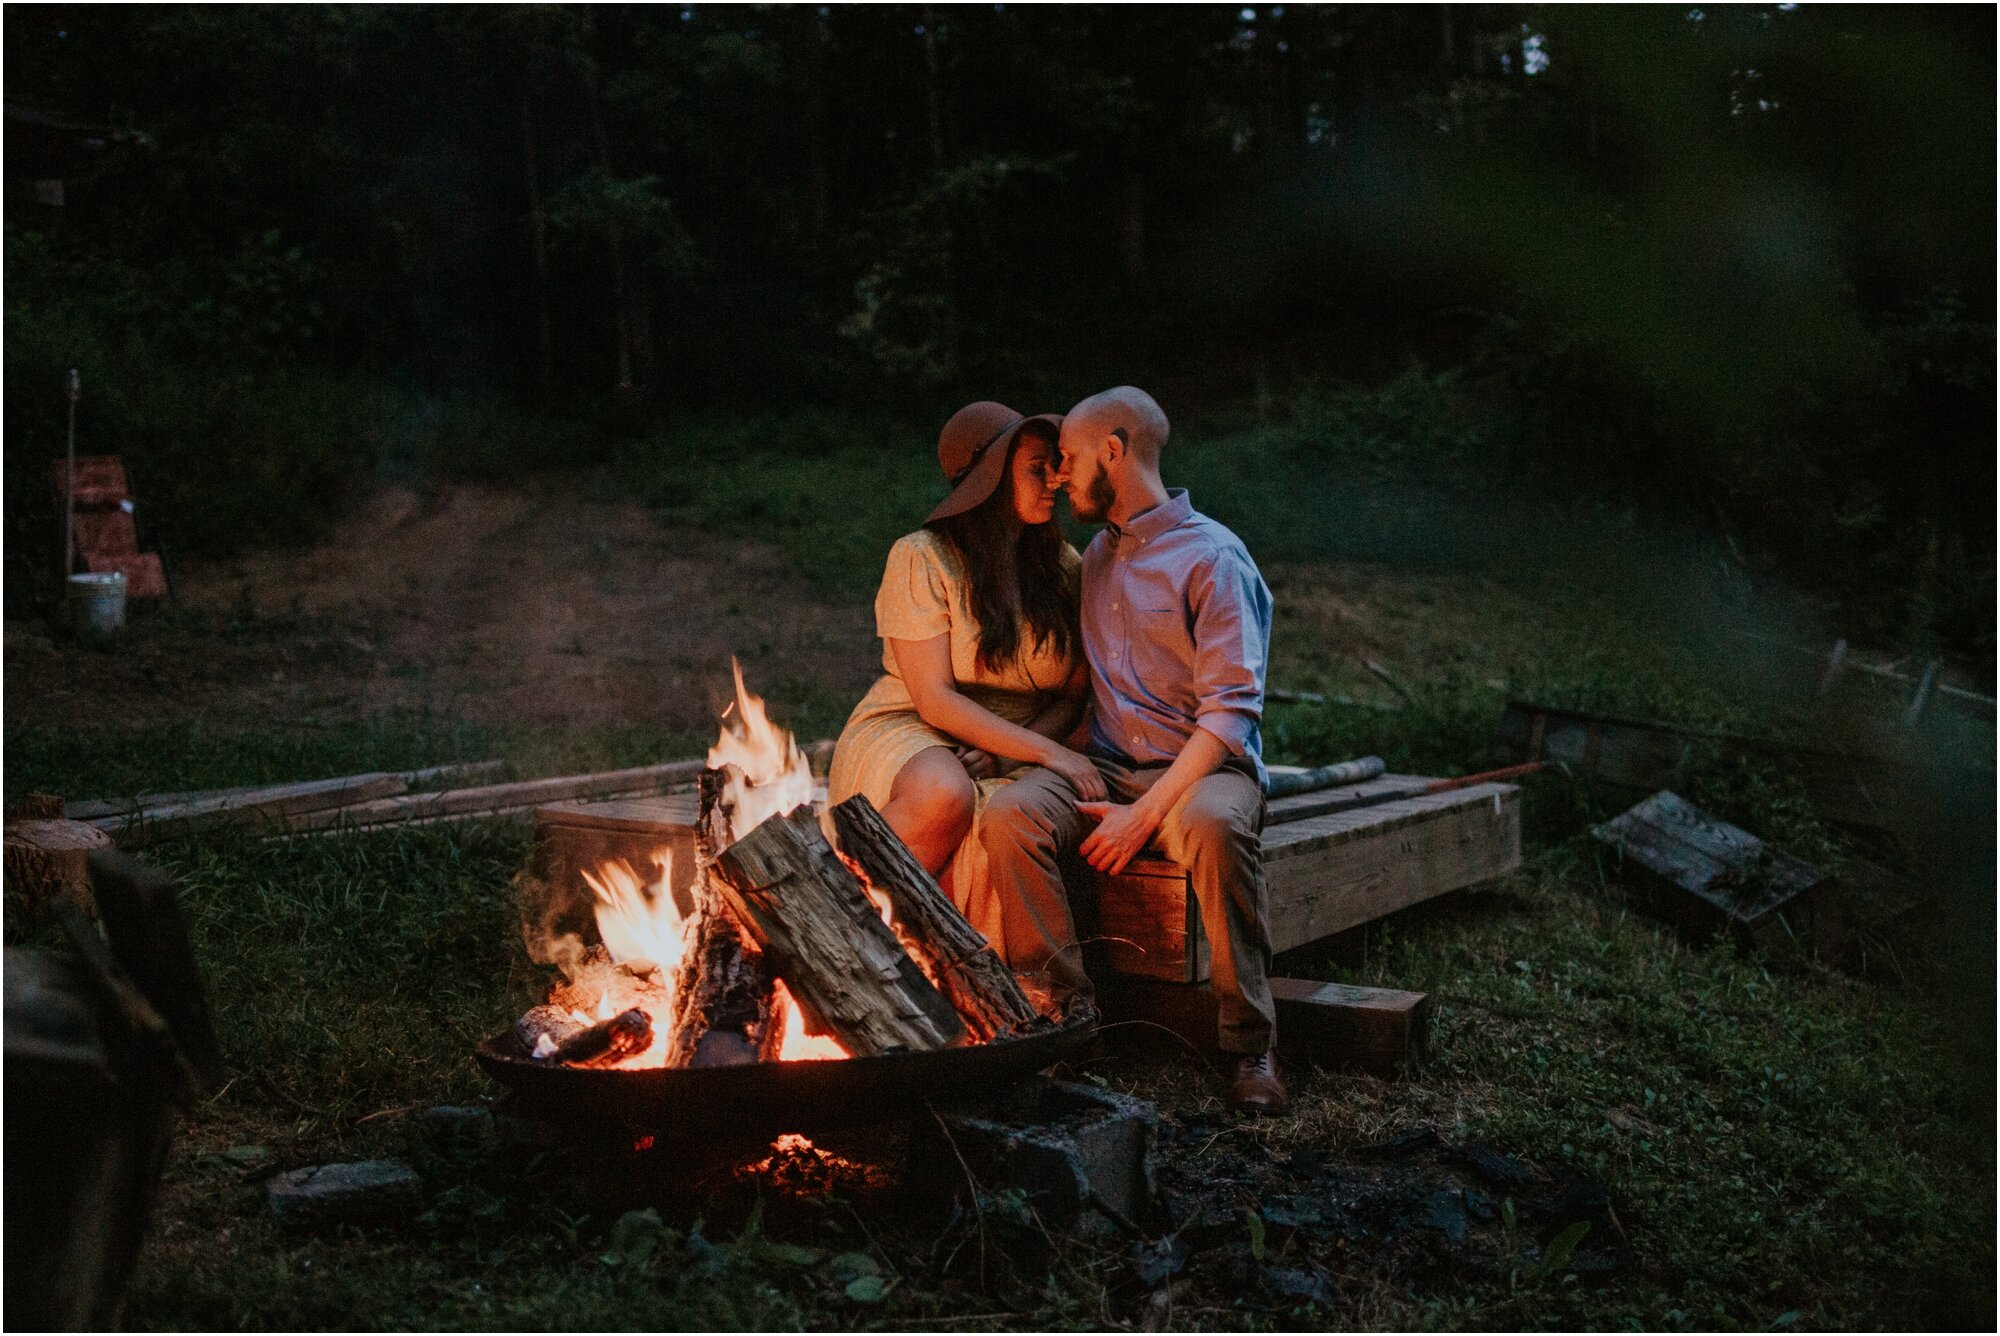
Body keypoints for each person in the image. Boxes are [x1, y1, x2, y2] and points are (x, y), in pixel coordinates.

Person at [976, 385, 1287, 1114]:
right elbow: (1083, 691)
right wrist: (1005, 756)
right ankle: (1063, 1027)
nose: (1060, 475)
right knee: (1011, 815)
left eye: (1073, 459)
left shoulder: (1213, 557)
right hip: (1109, 767)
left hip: (1203, 768)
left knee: (1211, 827)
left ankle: (1251, 1047)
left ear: (1114, 453)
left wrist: (1146, 814)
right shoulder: (1094, 562)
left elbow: (1232, 713)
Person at [828, 402, 1107, 887]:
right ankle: (829, 905)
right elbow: (934, 698)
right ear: (991, 480)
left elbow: (1072, 694)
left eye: (1055, 468)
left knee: (1014, 817)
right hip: (915, 726)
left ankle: (951, 951)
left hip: (1020, 742)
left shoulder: (1064, 566)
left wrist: (1011, 755)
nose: (1056, 482)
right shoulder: (923, 557)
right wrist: (1050, 753)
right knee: (943, 792)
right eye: (1036, 470)